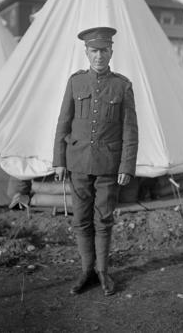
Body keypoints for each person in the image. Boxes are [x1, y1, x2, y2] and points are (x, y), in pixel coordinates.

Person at [53, 26, 138, 296]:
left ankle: (102, 271)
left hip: (108, 165)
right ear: (86, 52)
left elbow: (130, 129)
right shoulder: (75, 82)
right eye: (94, 51)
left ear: (111, 51)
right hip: (77, 161)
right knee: (80, 219)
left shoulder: (122, 85)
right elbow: (63, 122)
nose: (99, 55)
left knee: (104, 219)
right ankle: (86, 271)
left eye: (104, 50)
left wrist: (126, 165)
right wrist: (59, 160)